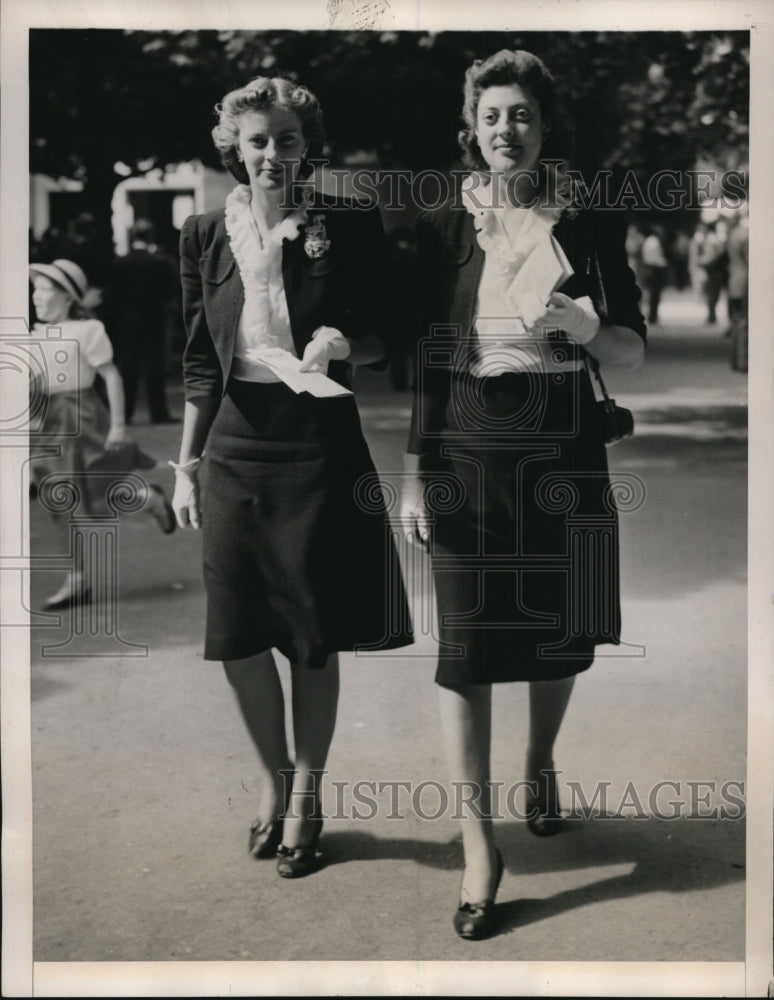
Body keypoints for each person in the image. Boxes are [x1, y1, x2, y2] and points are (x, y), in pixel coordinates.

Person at [400, 49, 646, 940]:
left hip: (563, 444)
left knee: (558, 628)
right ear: (473, 127)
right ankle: (479, 844)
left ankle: (539, 763)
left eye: (525, 116)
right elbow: (429, 357)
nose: (509, 130)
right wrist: (413, 471)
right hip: (467, 442)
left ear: (545, 126)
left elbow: (631, 352)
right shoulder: (443, 221)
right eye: (494, 115)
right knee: (463, 646)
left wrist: (586, 325)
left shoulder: (585, 219)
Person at [170, 75, 412, 879]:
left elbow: (388, 341)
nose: (274, 154)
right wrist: (185, 466)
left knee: (312, 631)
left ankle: (308, 794)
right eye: (258, 141)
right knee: (237, 634)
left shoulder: (347, 222)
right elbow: (201, 365)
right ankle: (274, 783)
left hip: (318, 446)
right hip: (235, 449)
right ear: (234, 151)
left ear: (309, 146)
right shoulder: (203, 234)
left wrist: (348, 344)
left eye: (288, 140)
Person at [29, 259, 176, 610]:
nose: (36, 296)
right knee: (58, 498)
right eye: (35, 288)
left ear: (68, 297)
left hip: (83, 414)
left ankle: (148, 498)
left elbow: (111, 376)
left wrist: (119, 425)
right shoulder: (35, 335)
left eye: (45, 289)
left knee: (100, 481)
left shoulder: (87, 330)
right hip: (50, 422)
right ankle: (77, 579)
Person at [107, 219, 179, 424]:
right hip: (153, 319)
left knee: (127, 367)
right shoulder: (161, 262)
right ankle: (158, 412)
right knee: (154, 367)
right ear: (151, 236)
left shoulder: (121, 262)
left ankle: (126, 413)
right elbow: (169, 292)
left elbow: (113, 296)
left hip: (127, 320)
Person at [725, 204, 749, 372]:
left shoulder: (733, 234)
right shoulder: (746, 235)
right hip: (745, 282)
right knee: (744, 322)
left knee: (737, 321)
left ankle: (736, 360)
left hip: (734, 280)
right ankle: (742, 361)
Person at [640, 225, 668, 324]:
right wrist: (664, 263)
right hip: (655, 269)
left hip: (649, 268)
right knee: (654, 294)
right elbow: (657, 259)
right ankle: (653, 316)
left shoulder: (648, 241)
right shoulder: (655, 242)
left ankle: (652, 315)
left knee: (651, 293)